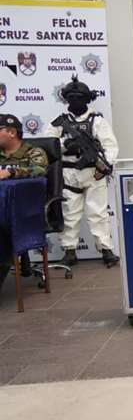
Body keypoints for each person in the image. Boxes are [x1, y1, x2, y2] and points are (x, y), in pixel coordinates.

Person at [43, 75, 119, 267]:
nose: (75, 101)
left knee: (98, 213)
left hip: (94, 172)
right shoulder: (59, 122)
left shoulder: (97, 121)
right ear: (66, 99)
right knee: (70, 213)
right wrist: (65, 144)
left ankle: (106, 249)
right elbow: (47, 145)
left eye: (79, 97)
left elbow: (110, 146)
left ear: (87, 99)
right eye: (72, 97)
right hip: (69, 174)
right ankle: (69, 251)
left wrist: (105, 164)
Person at [0, 113, 49, 290]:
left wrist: (12, 172)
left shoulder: (33, 152)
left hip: (26, 212)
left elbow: (39, 170)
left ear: (11, 132)